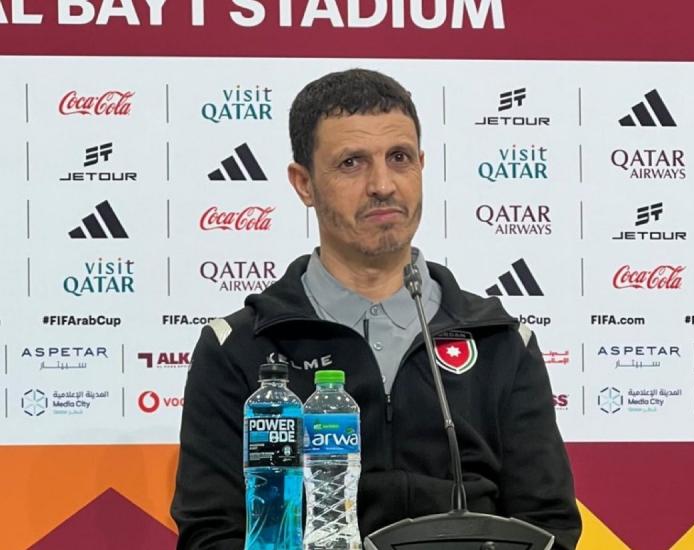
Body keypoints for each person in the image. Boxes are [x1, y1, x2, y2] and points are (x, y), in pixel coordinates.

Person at [171, 68, 581, 549]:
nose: (383, 184)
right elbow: (211, 534)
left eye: (399, 158)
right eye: (352, 163)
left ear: (421, 166)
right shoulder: (240, 348)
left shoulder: (500, 342)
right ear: (303, 184)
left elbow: (549, 528)